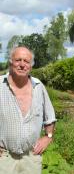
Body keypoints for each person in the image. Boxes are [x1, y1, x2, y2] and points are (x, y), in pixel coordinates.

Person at [0, 46, 56, 174]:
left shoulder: (39, 87)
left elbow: (50, 118)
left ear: (31, 66)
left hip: (31, 158)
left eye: (26, 61)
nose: (22, 65)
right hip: (4, 158)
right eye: (18, 60)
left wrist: (48, 136)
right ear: (10, 62)